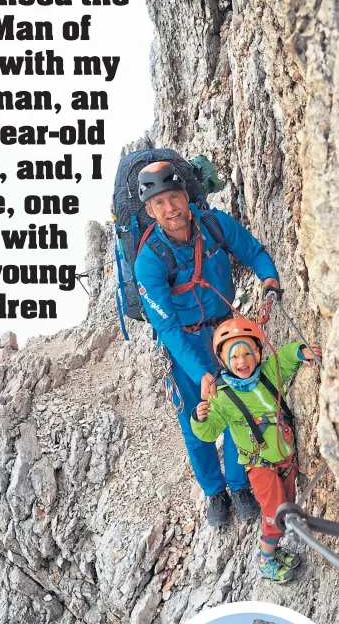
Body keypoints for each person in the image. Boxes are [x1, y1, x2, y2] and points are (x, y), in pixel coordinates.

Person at [134, 161, 280, 526]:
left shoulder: (214, 224)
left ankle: (238, 483)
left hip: (227, 336)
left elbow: (254, 252)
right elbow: (166, 327)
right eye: (159, 203)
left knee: (237, 407)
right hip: (183, 344)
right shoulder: (149, 260)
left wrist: (269, 281)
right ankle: (215, 494)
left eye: (174, 197)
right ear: (149, 211)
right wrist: (201, 372)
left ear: (186, 196)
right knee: (195, 420)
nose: (170, 209)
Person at [191, 317, 322, 582]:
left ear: (258, 353)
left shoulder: (268, 373)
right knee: (275, 515)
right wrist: (200, 417)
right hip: (261, 467)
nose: (242, 361)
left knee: (286, 507)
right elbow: (210, 431)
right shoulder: (223, 397)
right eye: (234, 356)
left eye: (247, 353)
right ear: (224, 361)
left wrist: (300, 351)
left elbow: (285, 357)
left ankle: (273, 551)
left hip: (286, 459)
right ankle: (266, 561)